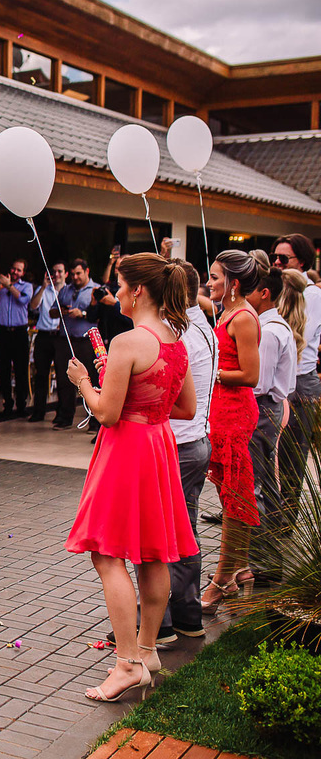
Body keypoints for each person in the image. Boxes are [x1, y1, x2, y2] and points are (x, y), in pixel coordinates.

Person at [65, 253, 198, 702]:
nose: (114, 291)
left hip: (126, 451)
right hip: (157, 446)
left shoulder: (126, 342)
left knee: (108, 554)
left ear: (138, 290)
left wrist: (84, 381)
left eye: (119, 284)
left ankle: (126, 663)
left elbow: (107, 412)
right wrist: (143, 403)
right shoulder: (176, 340)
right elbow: (186, 408)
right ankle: (147, 651)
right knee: (152, 553)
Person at [159, 262, 217, 641]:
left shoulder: (180, 335)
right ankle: (187, 614)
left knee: (164, 533)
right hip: (197, 442)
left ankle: (159, 621)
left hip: (179, 444)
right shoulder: (205, 328)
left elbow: (167, 396)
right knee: (186, 530)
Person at [201, 250, 262, 615]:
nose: (210, 283)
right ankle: (240, 569)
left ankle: (223, 578)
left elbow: (251, 376)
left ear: (234, 284)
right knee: (228, 498)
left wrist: (215, 373)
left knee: (236, 500)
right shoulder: (226, 311)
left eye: (215, 277)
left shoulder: (243, 318)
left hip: (236, 416)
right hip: (221, 414)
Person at [246, 268, 308, 583]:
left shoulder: (269, 331)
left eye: (250, 289)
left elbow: (258, 382)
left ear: (265, 293)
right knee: (268, 487)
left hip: (262, 409)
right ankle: (269, 558)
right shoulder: (276, 325)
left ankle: (263, 562)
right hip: (271, 409)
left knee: (258, 488)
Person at [271, 234, 321, 565]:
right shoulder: (279, 289)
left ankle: (282, 530)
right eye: (274, 257)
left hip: (300, 384)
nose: (276, 262)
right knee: (270, 460)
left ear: (301, 262)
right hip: (282, 381)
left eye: (282, 258)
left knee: (291, 460)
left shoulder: (311, 294)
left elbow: (301, 339)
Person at [53, 259, 99, 431]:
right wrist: (62, 311)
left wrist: (83, 313)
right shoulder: (65, 290)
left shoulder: (96, 289)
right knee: (64, 379)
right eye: (72, 274)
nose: (75, 277)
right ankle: (65, 417)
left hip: (86, 340)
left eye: (78, 273)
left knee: (91, 379)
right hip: (66, 339)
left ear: (87, 272)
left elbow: (100, 315)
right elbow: (52, 311)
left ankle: (94, 421)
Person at [0, 259, 33, 417]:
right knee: (3, 369)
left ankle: (21, 404)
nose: (15, 272)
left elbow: (24, 300)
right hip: (2, 331)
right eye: (13, 268)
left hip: (19, 332)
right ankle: (7, 402)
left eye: (19, 270)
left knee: (21, 369)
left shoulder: (27, 286)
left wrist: (9, 286)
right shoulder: (0, 285)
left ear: (23, 273)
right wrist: (0, 287)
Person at [28, 262, 65, 423]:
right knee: (41, 375)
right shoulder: (44, 289)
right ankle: (38, 412)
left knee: (62, 375)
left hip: (59, 336)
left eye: (59, 271)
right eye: (53, 271)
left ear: (65, 274)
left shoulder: (68, 291)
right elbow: (33, 305)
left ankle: (61, 413)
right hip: (43, 335)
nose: (56, 274)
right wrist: (43, 287)